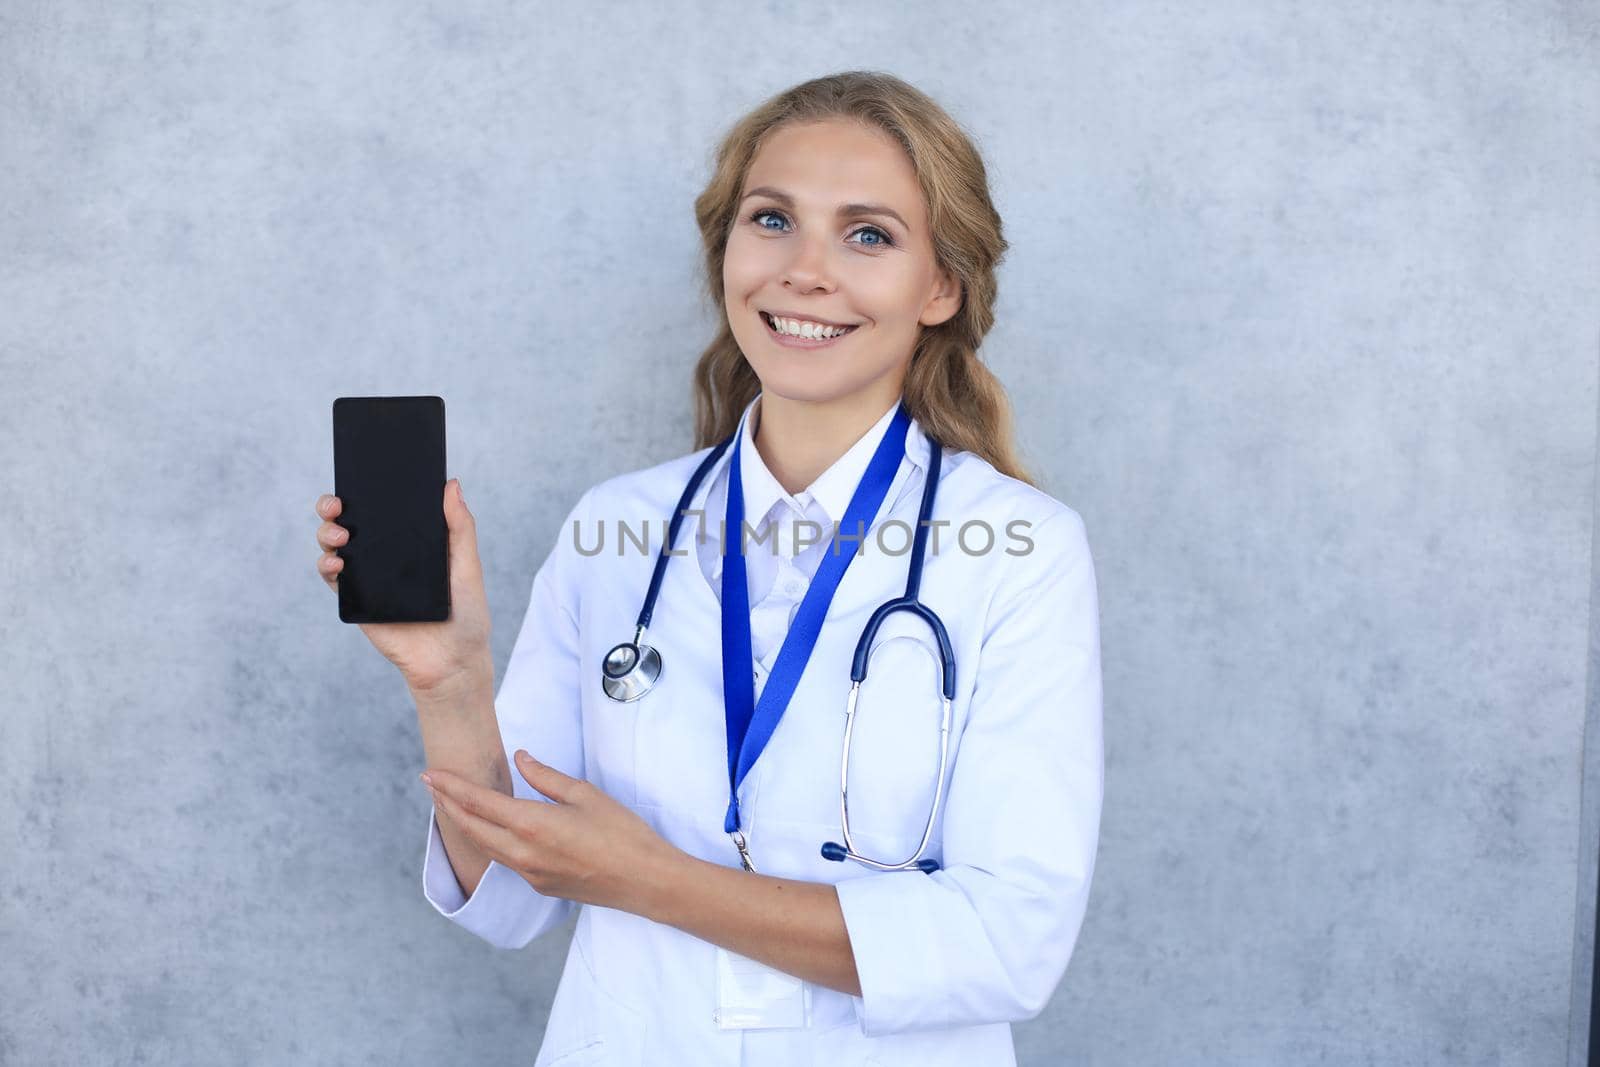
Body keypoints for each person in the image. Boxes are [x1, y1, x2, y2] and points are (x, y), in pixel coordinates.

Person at [312, 70, 1103, 1067]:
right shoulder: (618, 526)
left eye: (868, 234)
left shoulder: (1020, 547)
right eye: (771, 219)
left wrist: (651, 878)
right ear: (725, 249)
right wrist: (451, 679)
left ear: (939, 285)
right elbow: (508, 892)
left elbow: (1005, 944)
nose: (804, 271)